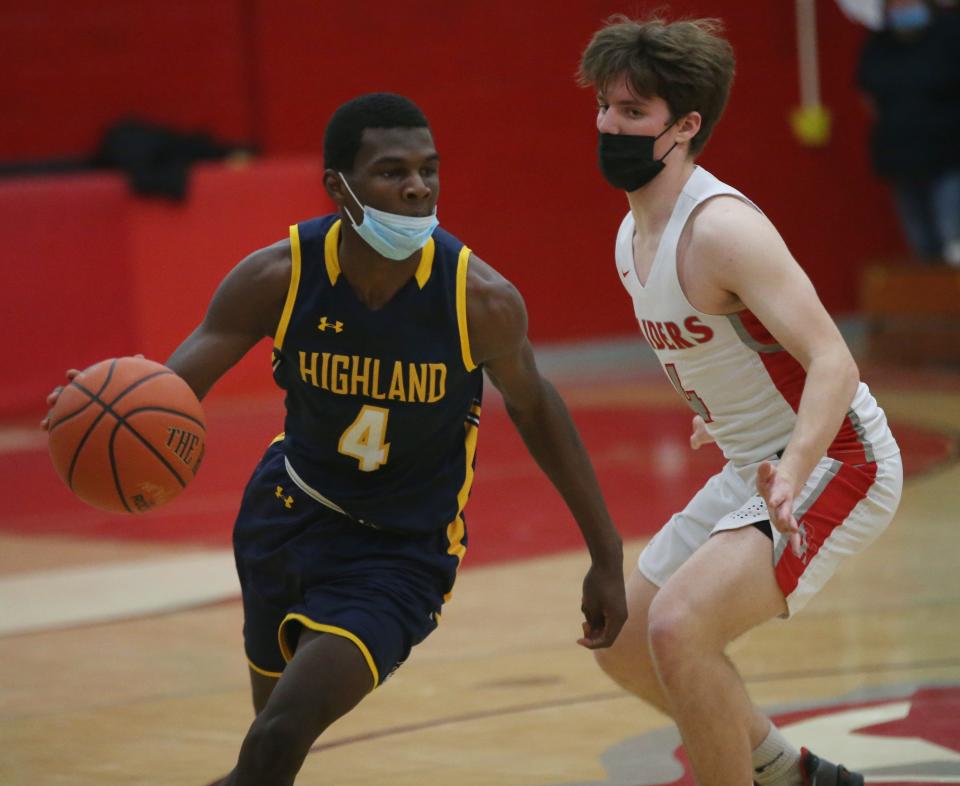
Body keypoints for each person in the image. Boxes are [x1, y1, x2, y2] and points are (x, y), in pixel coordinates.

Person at [42, 92, 628, 786]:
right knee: (272, 747)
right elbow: (170, 390)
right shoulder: (278, 277)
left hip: (401, 553)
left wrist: (606, 553)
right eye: (390, 172)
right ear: (338, 187)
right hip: (285, 519)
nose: (416, 186)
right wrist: (98, 406)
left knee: (277, 737)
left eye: (428, 169)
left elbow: (537, 410)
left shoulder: (479, 299)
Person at [577, 15, 902, 786]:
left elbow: (832, 360)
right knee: (624, 639)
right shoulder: (630, 238)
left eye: (632, 113)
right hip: (753, 461)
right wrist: (719, 410)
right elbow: (727, 346)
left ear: (686, 126)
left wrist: (791, 465)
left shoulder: (722, 228)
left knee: (680, 627)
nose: (608, 125)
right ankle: (793, 774)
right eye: (604, 106)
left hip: (835, 460)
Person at [857, 0, 960, 266]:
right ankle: (929, 301)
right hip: (900, 154)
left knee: (953, 239)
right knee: (922, 244)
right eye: (894, 5)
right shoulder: (879, 44)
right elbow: (868, 94)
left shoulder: (950, 33)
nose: (902, 9)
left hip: (949, 154)